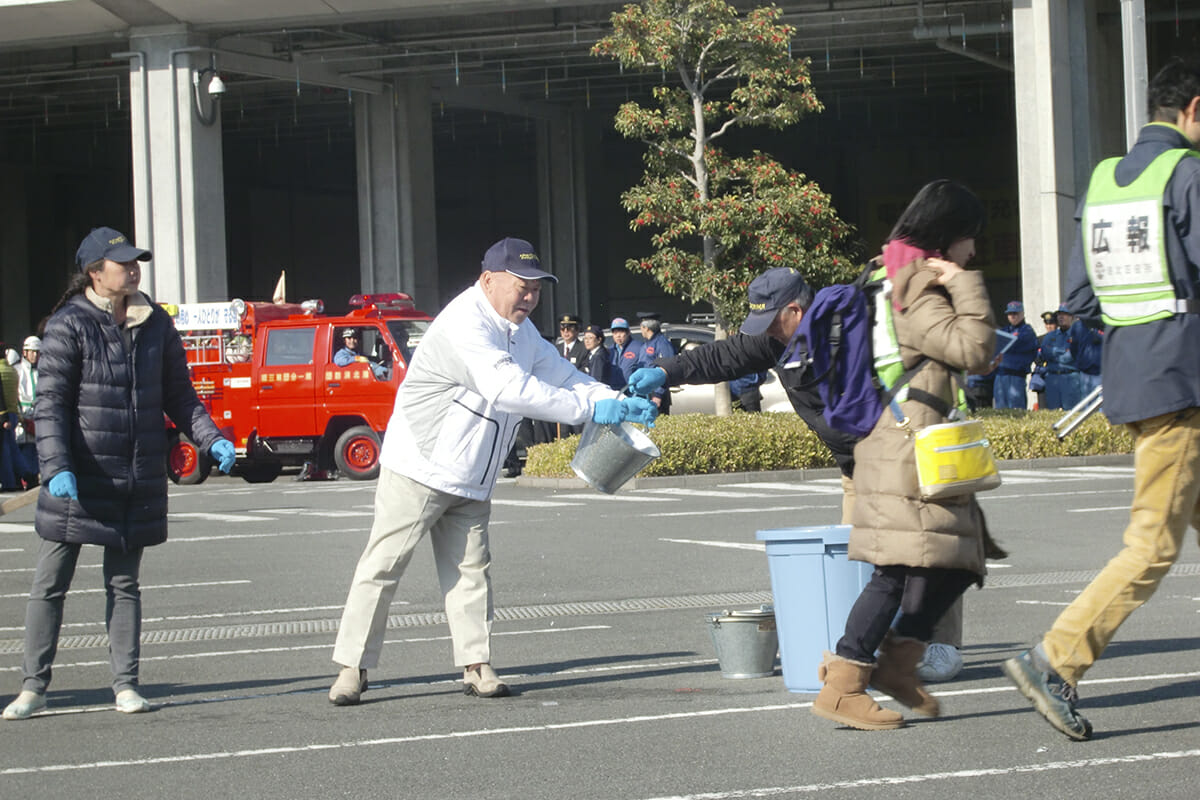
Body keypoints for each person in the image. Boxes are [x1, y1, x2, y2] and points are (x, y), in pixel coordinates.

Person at [327, 237, 657, 706]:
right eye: (521, 287)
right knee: (383, 565)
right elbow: (509, 389)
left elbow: (562, 374)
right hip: (420, 465)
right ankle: (351, 668)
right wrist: (590, 411)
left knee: (471, 571)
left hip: (473, 472)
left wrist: (616, 399)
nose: (529, 298)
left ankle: (477, 664)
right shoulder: (464, 323)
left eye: (536, 290)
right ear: (487, 280)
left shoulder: (521, 332)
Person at [1002, 59, 1200, 742]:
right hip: (1183, 383)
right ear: (1194, 111)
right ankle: (1054, 658)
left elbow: (1080, 299)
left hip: (1136, 377)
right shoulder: (1187, 175)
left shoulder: (1105, 183)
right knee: (1150, 547)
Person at [2, 226, 236, 721]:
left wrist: (209, 436)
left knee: (124, 584)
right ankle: (33, 687)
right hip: (79, 478)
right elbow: (50, 406)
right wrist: (56, 466)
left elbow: (181, 394)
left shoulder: (156, 325)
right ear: (95, 273)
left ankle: (126, 684)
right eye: (123, 263)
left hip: (135, 475)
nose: (133, 269)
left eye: (136, 262)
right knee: (50, 583)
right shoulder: (68, 325)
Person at [812, 179, 994, 731]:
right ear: (948, 236)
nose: (973, 252)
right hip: (906, 443)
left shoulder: (885, 269)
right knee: (896, 571)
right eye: (969, 240)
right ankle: (847, 684)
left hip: (901, 440)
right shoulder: (915, 282)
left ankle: (897, 661)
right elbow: (974, 350)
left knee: (957, 558)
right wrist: (965, 285)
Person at [992, 301, 1038, 409]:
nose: (1013, 316)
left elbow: (1013, 343)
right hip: (1000, 375)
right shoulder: (1005, 330)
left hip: (1016, 376)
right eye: (1010, 314)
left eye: (1015, 313)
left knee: (1016, 410)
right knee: (1000, 412)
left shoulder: (1027, 331)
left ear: (1022, 314)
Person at [1037, 305, 1083, 410]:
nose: (1061, 317)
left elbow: (1072, 356)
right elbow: (1045, 353)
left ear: (1072, 317)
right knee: (1053, 414)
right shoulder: (1050, 336)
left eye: (1065, 315)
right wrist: (1062, 352)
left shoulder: (1077, 335)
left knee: (1072, 413)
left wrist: (1055, 353)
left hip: (1070, 378)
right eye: (1059, 315)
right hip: (1052, 378)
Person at [633, 312, 676, 413]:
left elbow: (666, 369)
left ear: (646, 328)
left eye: (641, 327)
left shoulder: (662, 344)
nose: (641, 331)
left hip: (656, 393)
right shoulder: (646, 344)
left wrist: (658, 394)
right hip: (645, 392)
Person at [15, 335, 40, 481]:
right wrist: (21, 418)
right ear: (25, 352)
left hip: (38, 420)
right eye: (32, 351)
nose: (35, 355)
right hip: (22, 421)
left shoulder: (43, 372)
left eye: (37, 352)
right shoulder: (17, 371)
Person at [608, 317, 642, 390]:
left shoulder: (639, 348)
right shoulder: (610, 350)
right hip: (614, 392)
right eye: (615, 333)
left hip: (633, 392)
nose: (618, 336)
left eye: (621, 332)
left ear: (628, 332)